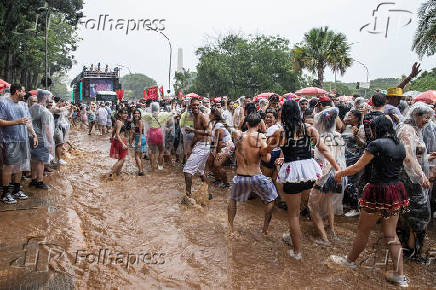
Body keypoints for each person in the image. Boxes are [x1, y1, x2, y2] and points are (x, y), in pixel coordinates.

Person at [332, 116, 409, 287]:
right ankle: (400, 276)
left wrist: (339, 174)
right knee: (390, 234)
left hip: (377, 190)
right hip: (395, 190)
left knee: (363, 230)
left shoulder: (376, 144)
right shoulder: (400, 144)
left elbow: (357, 167)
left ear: (377, 129)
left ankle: (350, 261)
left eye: (371, 129)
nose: (370, 132)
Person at [273, 100, 339, 260]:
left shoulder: (280, 133)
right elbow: (324, 150)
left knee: (294, 215)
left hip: (291, 173)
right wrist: (337, 167)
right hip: (309, 172)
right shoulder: (310, 129)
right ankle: (301, 237)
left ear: (284, 114)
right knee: (306, 207)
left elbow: (269, 148)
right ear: (298, 112)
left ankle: (297, 252)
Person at [228, 112, 278, 235]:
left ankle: (230, 229)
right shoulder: (261, 137)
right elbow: (266, 159)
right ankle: (265, 230)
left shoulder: (238, 136)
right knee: (271, 199)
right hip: (256, 176)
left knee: (232, 200)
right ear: (259, 125)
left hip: (240, 176)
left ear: (247, 123)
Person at [396, 102, 434, 264]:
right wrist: (421, 176)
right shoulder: (406, 130)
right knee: (419, 214)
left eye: (428, 117)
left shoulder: (415, 130)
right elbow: (407, 157)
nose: (427, 121)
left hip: (413, 179)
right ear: (415, 115)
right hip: (409, 180)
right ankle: (411, 251)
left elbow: (415, 155)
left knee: (412, 214)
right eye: (424, 117)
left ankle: (411, 249)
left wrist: (427, 158)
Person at [308, 107, 347, 245]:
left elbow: (326, 162)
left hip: (327, 176)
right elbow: (341, 158)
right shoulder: (339, 135)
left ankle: (324, 239)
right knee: (329, 203)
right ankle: (332, 230)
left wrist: (318, 181)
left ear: (323, 123)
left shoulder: (321, 137)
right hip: (339, 175)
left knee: (312, 206)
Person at [0, 84, 37, 203]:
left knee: (20, 165)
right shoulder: (3, 103)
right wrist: (16, 122)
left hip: (23, 139)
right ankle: (5, 193)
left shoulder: (23, 104)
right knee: (8, 166)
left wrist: (34, 134)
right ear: (17, 92)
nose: (25, 93)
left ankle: (16, 190)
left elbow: (28, 121)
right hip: (9, 139)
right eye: (23, 91)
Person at [182, 97, 212, 204]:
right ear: (190, 106)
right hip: (199, 145)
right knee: (200, 171)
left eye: (197, 105)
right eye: (193, 105)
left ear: (199, 106)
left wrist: (192, 130)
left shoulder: (203, 117)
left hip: (204, 146)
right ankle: (208, 193)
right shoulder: (193, 117)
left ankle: (188, 196)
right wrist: (190, 148)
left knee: (187, 170)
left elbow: (209, 132)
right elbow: (196, 135)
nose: (195, 107)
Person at [29, 89, 54, 190]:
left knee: (34, 160)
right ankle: (40, 181)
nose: (49, 99)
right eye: (48, 97)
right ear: (44, 97)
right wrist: (50, 142)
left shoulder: (31, 108)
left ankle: (33, 180)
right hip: (41, 139)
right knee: (40, 161)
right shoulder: (44, 111)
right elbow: (46, 128)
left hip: (31, 137)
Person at [142, 102, 173, 170]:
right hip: (159, 133)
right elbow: (171, 114)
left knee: (152, 151)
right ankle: (160, 166)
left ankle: (153, 167)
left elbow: (142, 115)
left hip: (151, 133)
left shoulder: (148, 115)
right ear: (158, 108)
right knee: (161, 151)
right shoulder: (162, 114)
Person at [208, 108, 234, 188]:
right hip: (218, 146)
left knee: (217, 164)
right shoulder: (215, 124)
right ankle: (217, 179)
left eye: (210, 114)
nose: (209, 115)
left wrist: (216, 153)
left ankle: (226, 184)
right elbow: (214, 139)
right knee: (210, 162)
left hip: (226, 146)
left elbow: (219, 141)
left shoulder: (219, 125)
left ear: (214, 116)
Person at [109, 109, 129, 177]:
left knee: (121, 158)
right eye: (124, 113)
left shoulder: (118, 121)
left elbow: (114, 130)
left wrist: (111, 137)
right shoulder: (120, 122)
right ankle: (112, 172)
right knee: (122, 159)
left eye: (126, 113)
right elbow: (117, 134)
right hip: (120, 142)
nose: (126, 115)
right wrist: (123, 144)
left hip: (117, 141)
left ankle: (118, 173)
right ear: (120, 114)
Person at [132, 109, 146, 176]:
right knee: (139, 156)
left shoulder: (140, 121)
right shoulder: (135, 121)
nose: (136, 114)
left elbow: (141, 132)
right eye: (135, 113)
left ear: (140, 114)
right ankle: (141, 169)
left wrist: (139, 142)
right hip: (138, 138)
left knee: (136, 156)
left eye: (138, 113)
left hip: (140, 138)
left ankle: (140, 171)